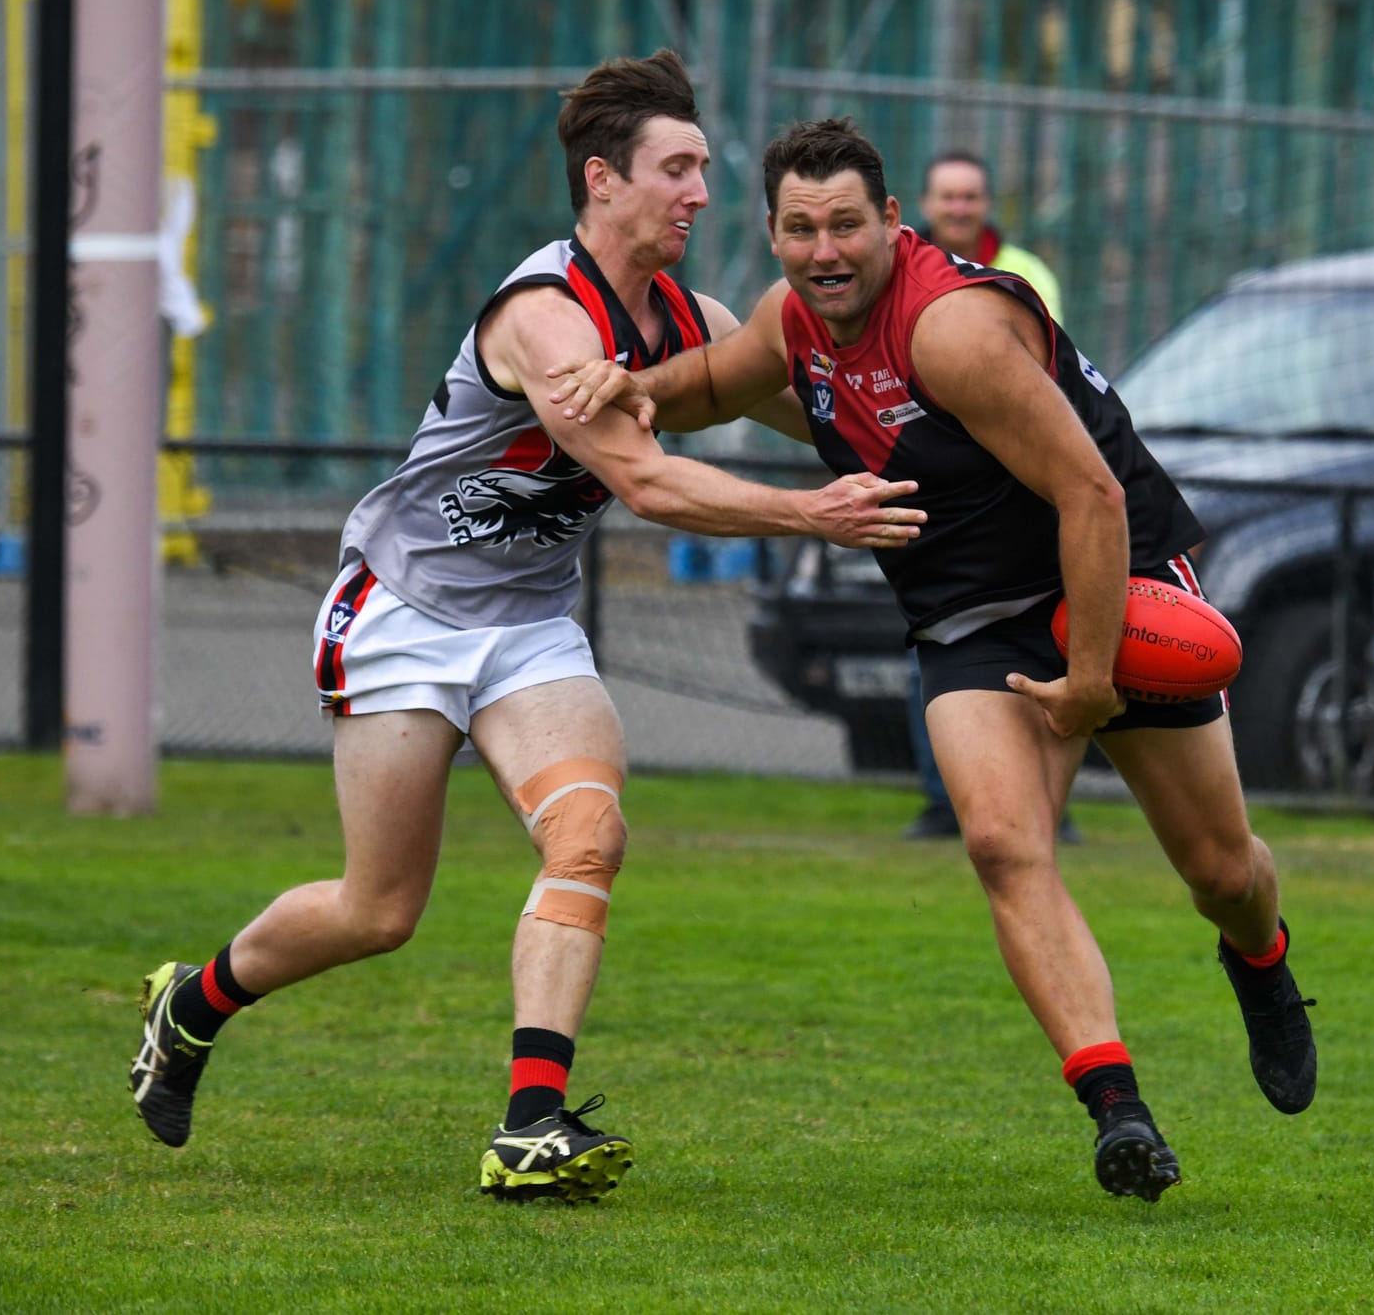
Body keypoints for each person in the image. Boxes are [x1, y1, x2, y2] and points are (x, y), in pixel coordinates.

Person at [126, 58, 926, 1205]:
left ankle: (530, 1122)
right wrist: (816, 517)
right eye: (679, 168)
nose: (702, 191)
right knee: (378, 910)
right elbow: (646, 484)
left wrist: (941, 430)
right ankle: (192, 1003)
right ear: (602, 181)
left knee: (589, 835)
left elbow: (818, 414)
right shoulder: (542, 316)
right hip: (403, 612)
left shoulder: (687, 323)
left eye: (703, 168)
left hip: (526, 627)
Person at [548, 118, 1316, 1204]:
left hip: (1103, 576)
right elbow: (715, 382)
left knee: (1218, 869)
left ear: (891, 222)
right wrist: (631, 390)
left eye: (847, 226)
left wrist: (1092, 680)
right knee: (1004, 845)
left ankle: (1262, 960)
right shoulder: (793, 320)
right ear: (771, 234)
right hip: (967, 613)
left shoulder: (950, 330)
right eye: (801, 229)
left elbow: (1089, 495)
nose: (826, 251)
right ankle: (1118, 1110)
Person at [904, 151, 1071, 841]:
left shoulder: (1027, 273)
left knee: (1043, 644)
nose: (960, 208)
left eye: (971, 196)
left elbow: (1044, 370)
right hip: (930, 487)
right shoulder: (890, 273)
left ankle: (1047, 806)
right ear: (925, 201)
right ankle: (944, 800)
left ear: (987, 201)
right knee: (936, 640)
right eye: (949, 196)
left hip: (1015, 486)